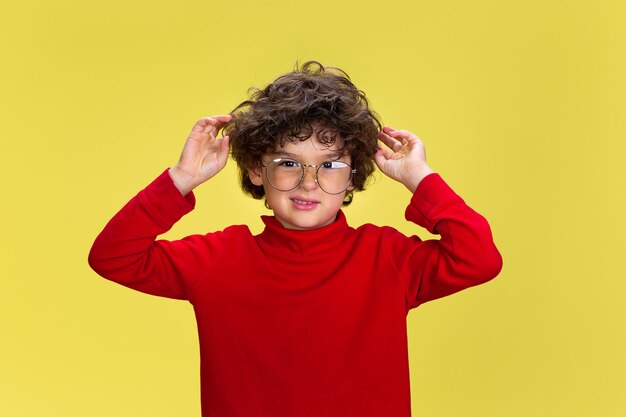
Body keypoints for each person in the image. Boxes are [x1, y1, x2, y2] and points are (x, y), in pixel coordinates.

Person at [88, 61, 502, 417]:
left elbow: (479, 258)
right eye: (288, 163)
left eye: (331, 164)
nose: (308, 183)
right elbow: (113, 257)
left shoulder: (387, 258)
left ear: (353, 174)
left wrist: (420, 178)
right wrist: (179, 181)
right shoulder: (217, 259)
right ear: (255, 170)